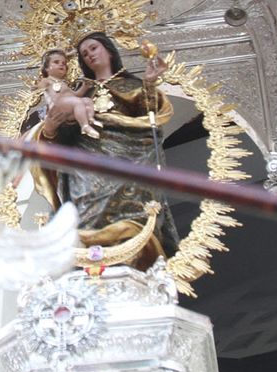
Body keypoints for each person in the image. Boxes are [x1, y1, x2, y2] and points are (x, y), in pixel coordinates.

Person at [26, 31, 180, 266]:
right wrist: (49, 129)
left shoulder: (131, 84)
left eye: (93, 48)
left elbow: (149, 120)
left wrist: (149, 82)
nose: (89, 55)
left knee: (133, 218)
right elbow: (58, 137)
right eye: (84, 54)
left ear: (109, 50)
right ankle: (93, 267)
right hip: (84, 167)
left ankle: (134, 266)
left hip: (129, 161)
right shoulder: (80, 90)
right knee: (86, 220)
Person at [33, 48, 99, 138]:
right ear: (47, 68)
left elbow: (75, 95)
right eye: (56, 62)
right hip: (57, 108)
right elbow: (39, 88)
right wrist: (36, 87)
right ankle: (84, 126)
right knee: (77, 102)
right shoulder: (47, 81)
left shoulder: (64, 83)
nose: (61, 64)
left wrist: (84, 87)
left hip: (69, 107)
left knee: (87, 101)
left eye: (64, 63)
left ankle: (90, 119)